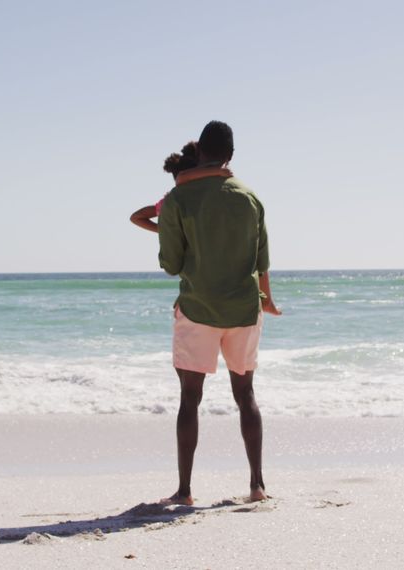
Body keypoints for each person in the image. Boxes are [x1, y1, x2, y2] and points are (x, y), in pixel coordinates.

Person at [157, 120, 281, 506]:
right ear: (230, 155)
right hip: (244, 310)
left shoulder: (179, 199)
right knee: (245, 395)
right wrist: (269, 300)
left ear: (201, 152)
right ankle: (257, 486)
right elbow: (262, 263)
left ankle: (185, 491)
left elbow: (171, 264)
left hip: (197, 309)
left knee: (190, 398)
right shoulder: (250, 198)